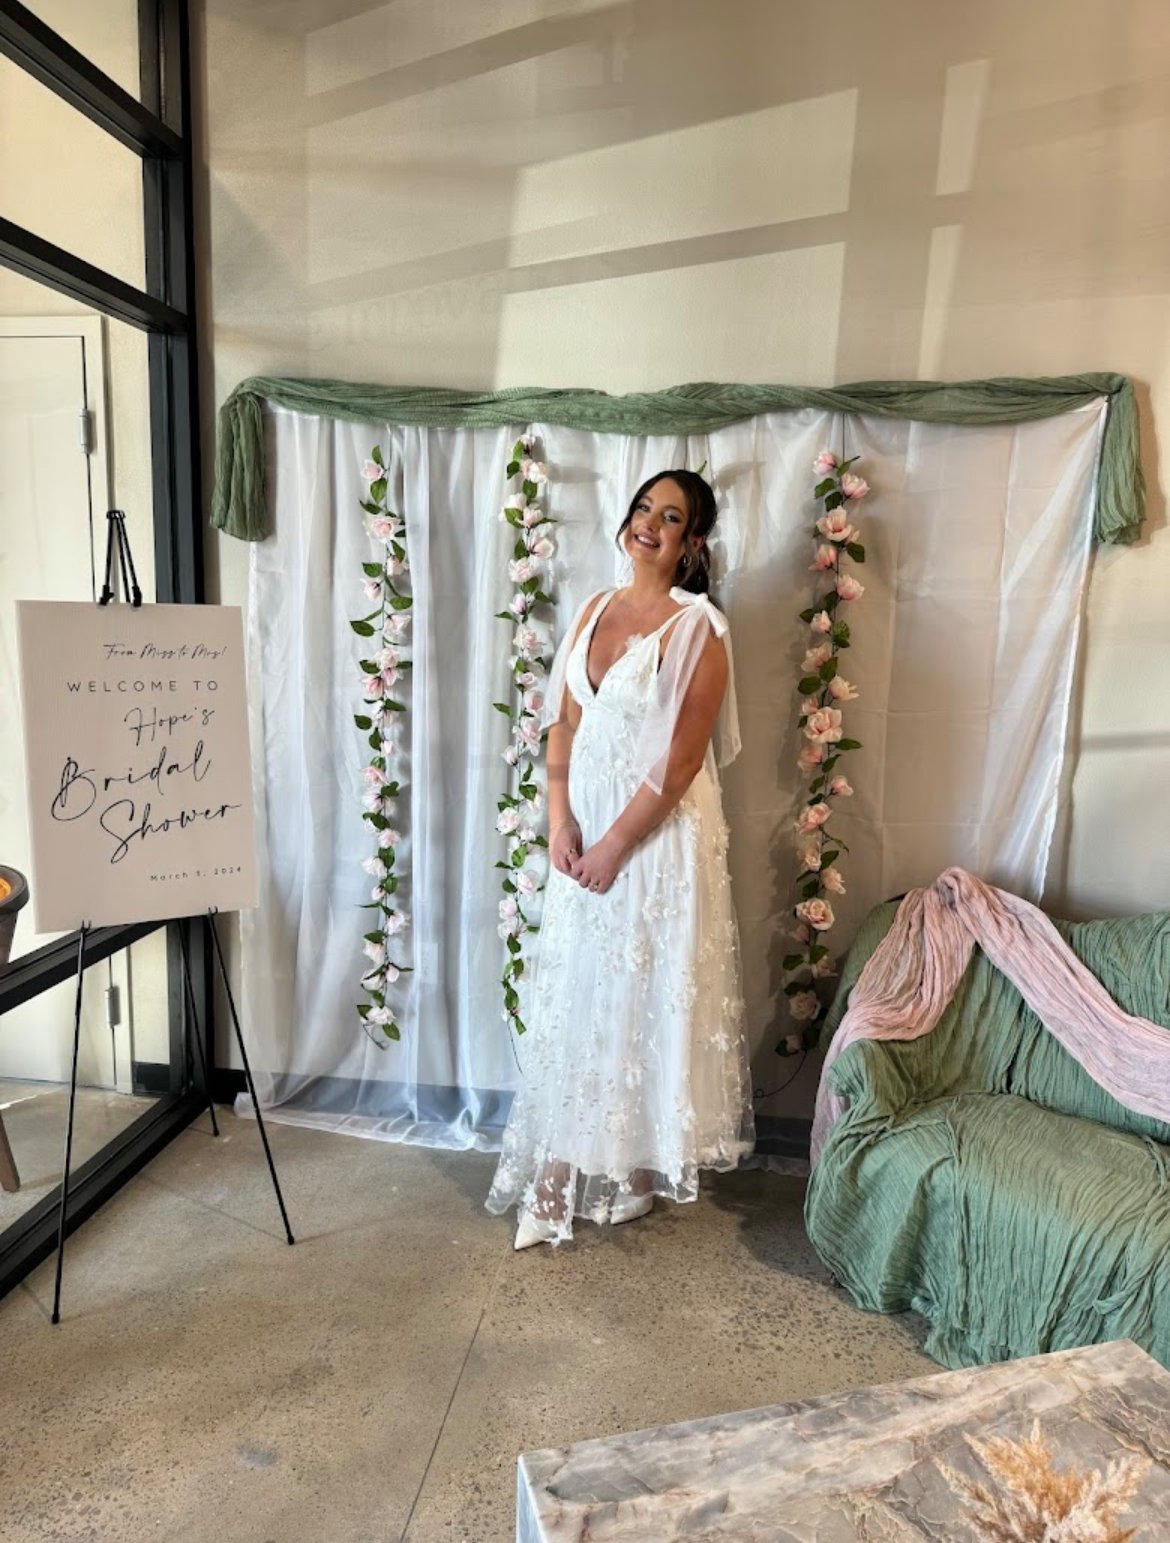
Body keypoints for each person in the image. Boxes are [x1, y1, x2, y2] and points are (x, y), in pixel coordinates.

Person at [485, 469, 754, 1247]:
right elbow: (563, 721)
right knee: (581, 992)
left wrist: (614, 844)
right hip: (587, 829)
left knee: (635, 996)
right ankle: (600, 1175)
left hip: (655, 839)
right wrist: (560, 820)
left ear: (692, 542)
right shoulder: (595, 607)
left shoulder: (700, 628)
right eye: (643, 507)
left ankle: (574, 1181)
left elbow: (680, 762)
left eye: (669, 517)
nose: (649, 524)